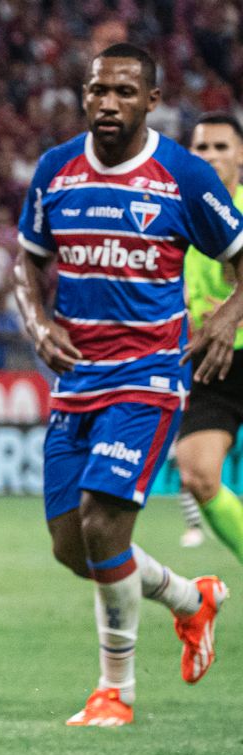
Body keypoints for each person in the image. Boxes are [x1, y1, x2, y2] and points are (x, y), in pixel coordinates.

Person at [12, 43, 237, 727]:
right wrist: (37, 322)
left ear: (150, 101)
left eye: (123, 93)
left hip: (148, 376)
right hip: (78, 377)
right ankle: (190, 601)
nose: (107, 103)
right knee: (72, 547)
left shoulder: (183, 177)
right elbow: (26, 262)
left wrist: (228, 316)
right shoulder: (57, 171)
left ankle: (117, 691)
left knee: (104, 522)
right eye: (96, 91)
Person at [173, 112, 243, 563]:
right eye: (203, 148)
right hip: (214, 363)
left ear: (241, 155)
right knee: (197, 473)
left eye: (222, 146)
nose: (212, 155)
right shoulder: (178, 214)